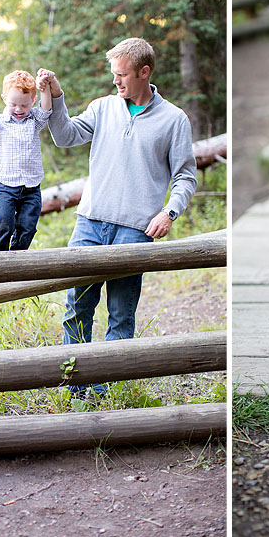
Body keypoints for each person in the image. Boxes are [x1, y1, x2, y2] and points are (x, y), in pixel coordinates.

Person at [37, 38, 197, 398]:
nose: (116, 82)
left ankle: (105, 389)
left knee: (120, 314)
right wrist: (57, 96)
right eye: (113, 74)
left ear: (144, 72)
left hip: (134, 229)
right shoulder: (103, 108)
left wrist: (169, 212)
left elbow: (186, 176)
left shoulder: (173, 119)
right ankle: (75, 387)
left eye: (122, 75)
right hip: (90, 222)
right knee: (77, 306)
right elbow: (64, 136)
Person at [0, 70, 52, 252]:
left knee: (28, 227)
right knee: (3, 222)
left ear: (32, 101)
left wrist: (45, 87)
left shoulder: (34, 121)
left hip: (31, 186)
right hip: (6, 185)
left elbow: (46, 110)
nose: (18, 109)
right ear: (4, 99)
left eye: (24, 105)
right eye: (13, 104)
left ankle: (17, 260)